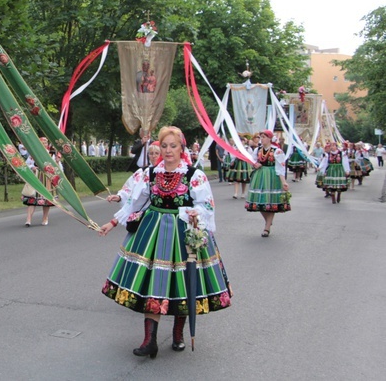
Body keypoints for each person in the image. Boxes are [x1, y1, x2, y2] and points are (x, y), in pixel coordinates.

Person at [99, 126, 231, 359]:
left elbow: (206, 206)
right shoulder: (150, 173)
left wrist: (194, 214)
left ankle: (178, 333)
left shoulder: (194, 175)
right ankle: (150, 340)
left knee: (183, 280)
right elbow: (133, 201)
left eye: (174, 146)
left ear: (182, 148)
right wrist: (112, 223)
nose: (168, 151)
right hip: (153, 232)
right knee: (153, 284)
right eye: (165, 146)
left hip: (183, 233)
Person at [245, 130, 290, 237]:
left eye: (264, 137)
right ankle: (268, 221)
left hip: (272, 176)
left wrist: (283, 182)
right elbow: (252, 160)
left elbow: (280, 167)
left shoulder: (277, 151)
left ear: (270, 138)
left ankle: (267, 227)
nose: (262, 139)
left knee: (270, 201)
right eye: (261, 137)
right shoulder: (257, 150)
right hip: (259, 176)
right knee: (260, 202)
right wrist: (255, 164)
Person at [22, 137, 55, 227]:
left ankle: (45, 218)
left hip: (46, 178)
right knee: (32, 199)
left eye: (45, 143)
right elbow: (26, 164)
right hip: (36, 177)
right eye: (42, 143)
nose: (44, 145)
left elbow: (56, 166)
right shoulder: (33, 154)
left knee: (46, 199)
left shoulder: (50, 154)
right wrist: (32, 167)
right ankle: (28, 219)